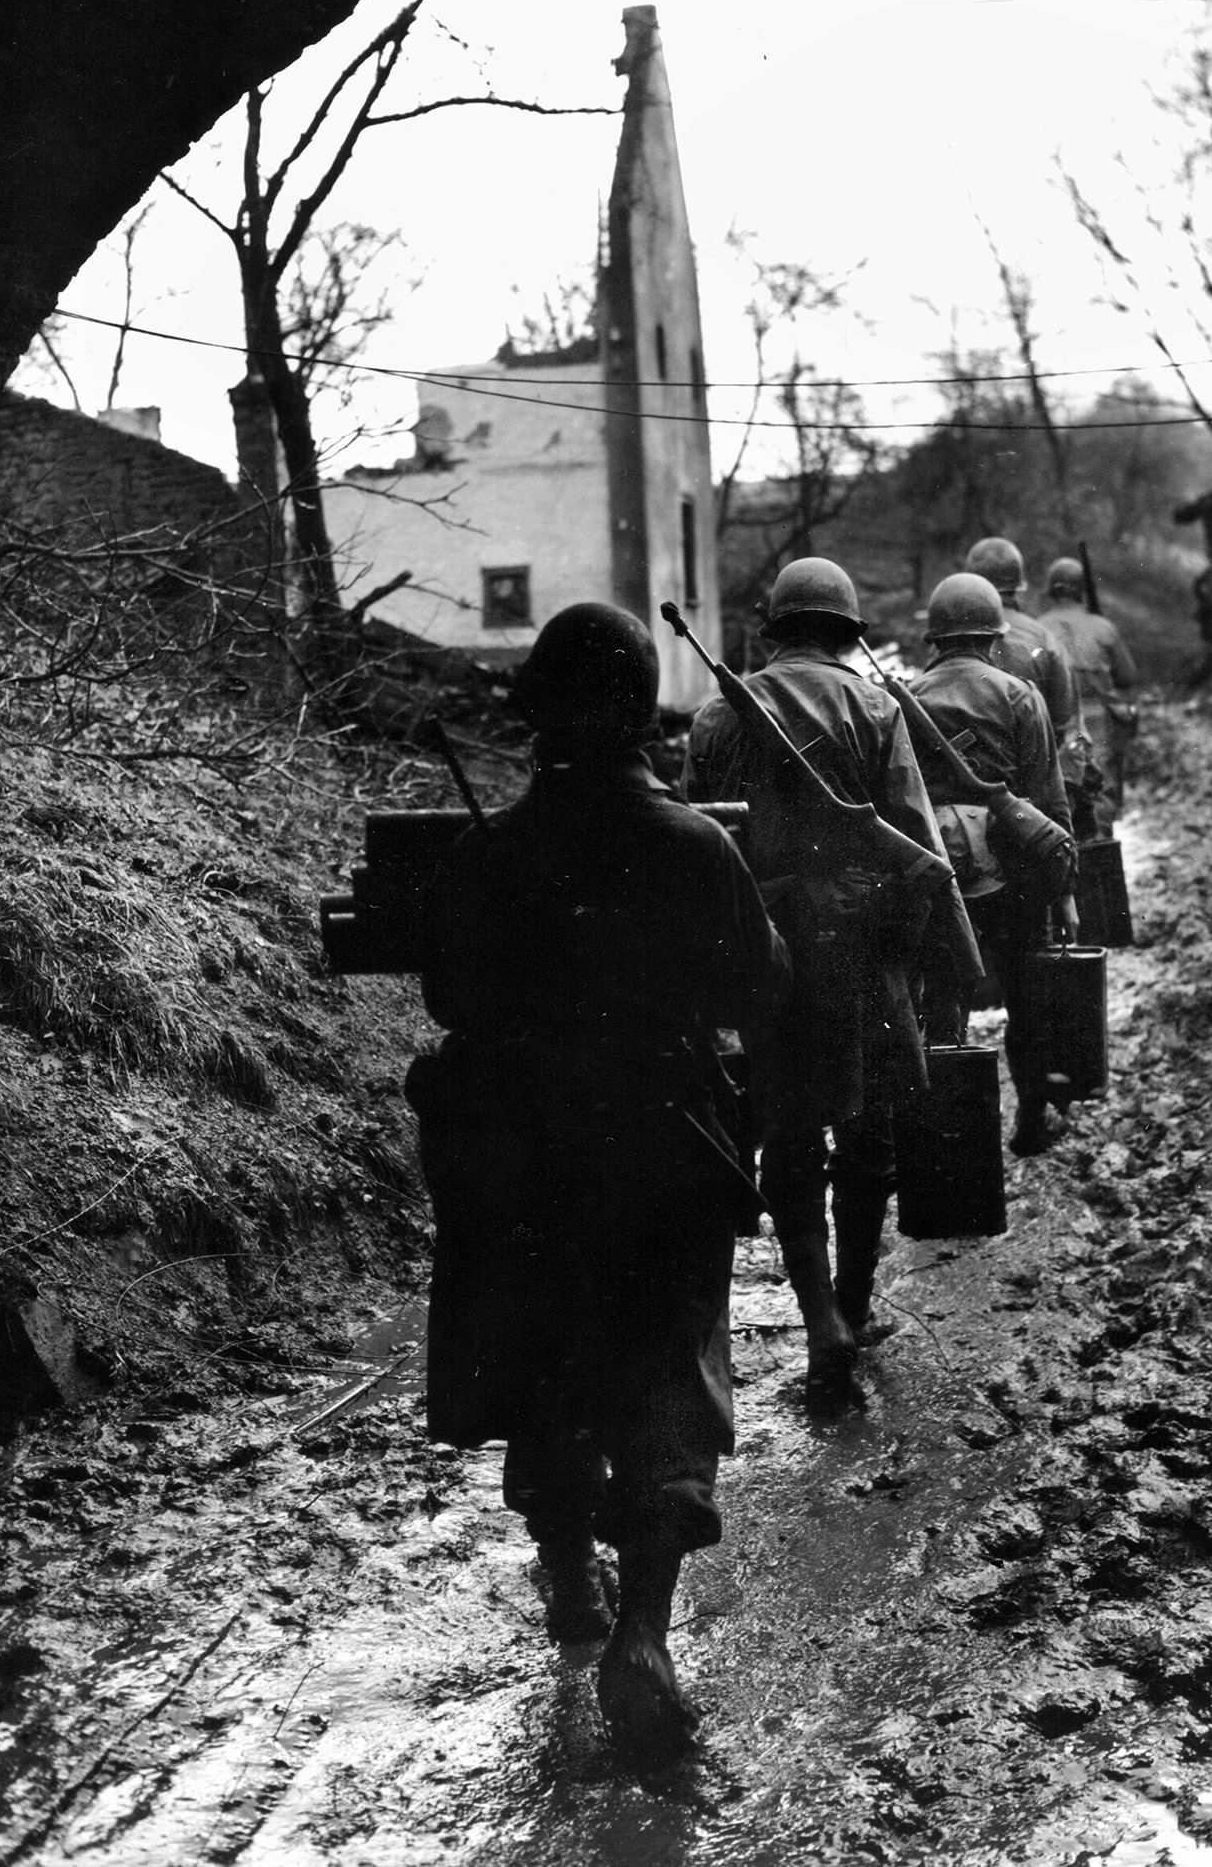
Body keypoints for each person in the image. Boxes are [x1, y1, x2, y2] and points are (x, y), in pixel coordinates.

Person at [411, 602, 790, 1755]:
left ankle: (568, 1565)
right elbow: (759, 990)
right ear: (640, 716)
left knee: (550, 1363)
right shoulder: (697, 847)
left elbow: (447, 1003)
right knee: (669, 1379)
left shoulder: (486, 855)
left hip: (524, 1165)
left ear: (535, 721)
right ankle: (642, 1633)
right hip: (663, 1159)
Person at [683, 556, 945, 1403]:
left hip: (764, 952)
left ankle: (817, 1317)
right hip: (862, 949)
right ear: (846, 629)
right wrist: (915, 957)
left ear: (776, 628)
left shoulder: (716, 716)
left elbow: (701, 846)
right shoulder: (877, 706)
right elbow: (912, 837)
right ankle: (856, 1306)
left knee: (791, 1136)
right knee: (867, 1134)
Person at [911, 573, 1076, 1155]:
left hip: (940, 877)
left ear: (936, 638)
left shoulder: (908, 696)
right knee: (1028, 998)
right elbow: (1047, 800)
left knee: (942, 1000)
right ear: (992, 636)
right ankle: (1030, 1118)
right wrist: (1063, 889)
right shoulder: (1018, 695)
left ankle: (951, 1148)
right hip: (1015, 873)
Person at [963, 536, 1097, 831]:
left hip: (966, 803)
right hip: (1035, 802)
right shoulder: (1044, 640)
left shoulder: (950, 642)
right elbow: (1068, 725)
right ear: (1018, 585)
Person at [1040, 556, 1140, 837]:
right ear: (1081, 590)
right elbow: (1127, 677)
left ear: (1051, 590)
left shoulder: (1037, 628)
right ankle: (1101, 847)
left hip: (1053, 720)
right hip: (1097, 719)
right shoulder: (1103, 627)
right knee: (1101, 789)